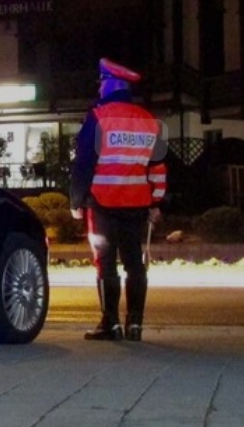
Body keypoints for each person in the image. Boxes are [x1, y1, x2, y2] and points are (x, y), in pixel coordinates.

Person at [69, 57, 167, 342]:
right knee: (135, 262)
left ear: (111, 84)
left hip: (103, 203)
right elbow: (158, 167)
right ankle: (135, 324)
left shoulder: (99, 116)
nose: (99, 88)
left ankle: (110, 323)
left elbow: (84, 163)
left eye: (101, 83)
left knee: (105, 263)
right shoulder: (150, 120)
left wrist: (76, 200)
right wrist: (156, 202)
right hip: (137, 205)